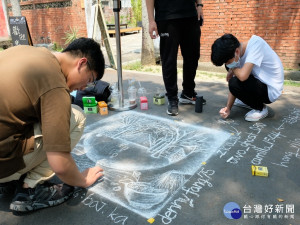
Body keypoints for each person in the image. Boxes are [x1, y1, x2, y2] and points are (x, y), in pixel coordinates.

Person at [0, 38, 105, 212]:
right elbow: (60, 164)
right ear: (81, 63)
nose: (85, 87)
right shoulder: (55, 87)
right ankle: (30, 187)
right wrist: (82, 180)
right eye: (90, 79)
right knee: (76, 115)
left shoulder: (27, 51)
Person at [146, 0, 206, 116]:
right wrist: (151, 20)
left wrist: (199, 5)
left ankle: (188, 93)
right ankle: (172, 98)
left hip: (190, 15)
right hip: (167, 16)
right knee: (169, 59)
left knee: (193, 56)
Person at [211, 34, 284, 122]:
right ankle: (248, 100)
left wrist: (232, 68)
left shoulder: (256, 44)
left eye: (227, 62)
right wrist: (228, 108)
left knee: (236, 77)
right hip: (259, 83)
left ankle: (261, 109)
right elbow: (234, 85)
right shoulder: (236, 55)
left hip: (271, 90)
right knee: (234, 77)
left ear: (237, 52)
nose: (227, 64)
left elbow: (241, 77)